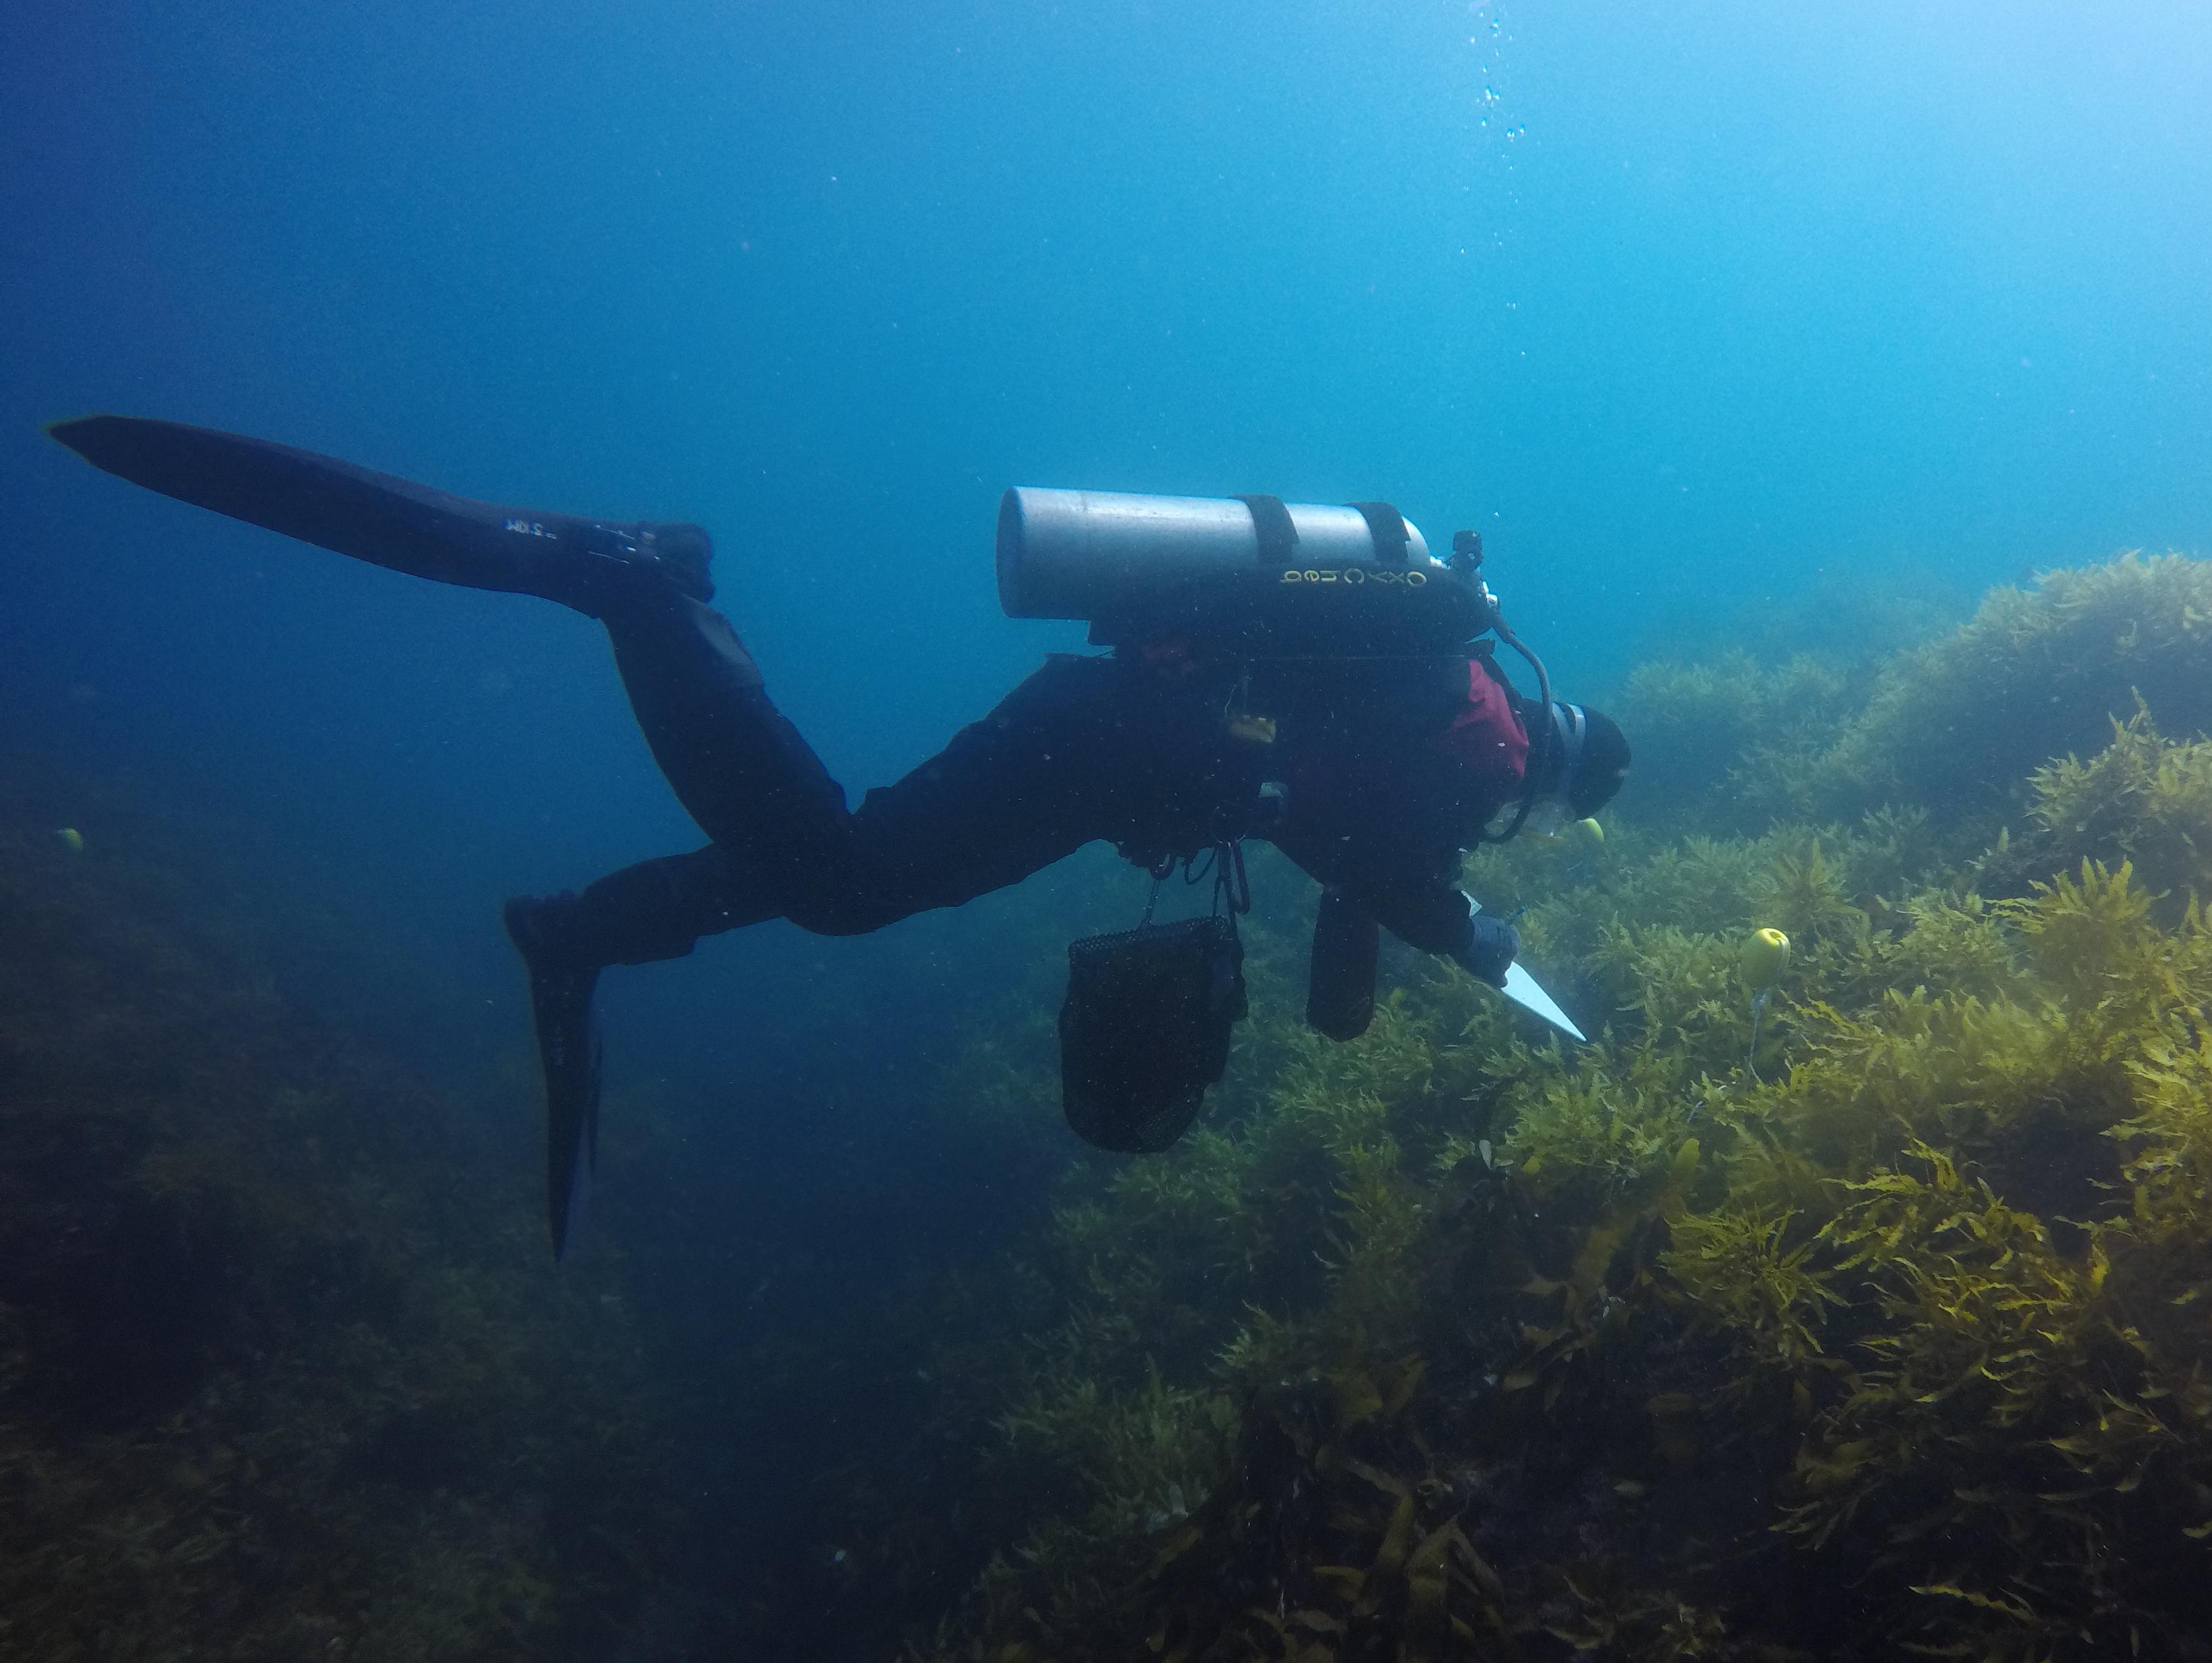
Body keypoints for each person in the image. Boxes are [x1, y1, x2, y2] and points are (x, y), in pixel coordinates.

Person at [47, 417, 1631, 1254]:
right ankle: (638, 582)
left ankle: (584, 928)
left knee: (864, 876)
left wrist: (1385, 881)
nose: (1519, 816)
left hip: (1106, 742)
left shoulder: (1437, 670)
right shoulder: (1471, 750)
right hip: (1106, 745)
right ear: (1553, 774)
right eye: (1542, 810)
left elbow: (1338, 842)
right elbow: (1384, 877)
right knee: (849, 882)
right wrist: (1503, 961)